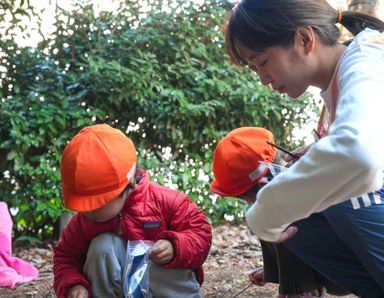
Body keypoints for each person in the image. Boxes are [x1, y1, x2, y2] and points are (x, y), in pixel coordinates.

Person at [223, 1, 384, 296]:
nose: (262, 79)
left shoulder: (366, 62)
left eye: (262, 62)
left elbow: (360, 154)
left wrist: (265, 211)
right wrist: (320, 149)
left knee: (338, 186)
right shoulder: (338, 82)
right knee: (299, 213)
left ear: (305, 39)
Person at [53, 124, 212, 298]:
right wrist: (74, 284)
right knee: (103, 246)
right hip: (120, 288)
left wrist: (176, 246)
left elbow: (201, 234)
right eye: (82, 206)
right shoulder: (85, 221)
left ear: (130, 185)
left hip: (165, 285)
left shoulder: (165, 202)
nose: (87, 212)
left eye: (96, 204)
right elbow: (65, 256)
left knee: (154, 254)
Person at [210, 127, 349, 298]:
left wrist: (294, 287)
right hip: (341, 260)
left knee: (269, 215)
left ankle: (302, 290)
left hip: (353, 270)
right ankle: (297, 286)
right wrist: (275, 270)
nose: (250, 202)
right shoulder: (299, 170)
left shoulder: (288, 195)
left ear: (262, 184)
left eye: (249, 198)